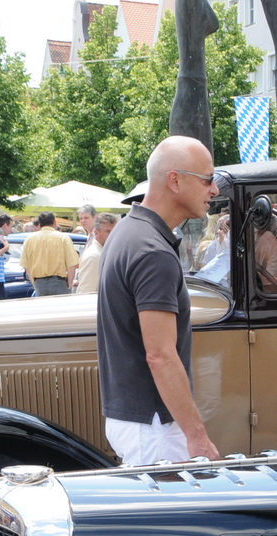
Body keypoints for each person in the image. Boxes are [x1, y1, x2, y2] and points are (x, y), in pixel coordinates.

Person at [98, 135, 222, 466]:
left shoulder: (128, 232)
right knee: (168, 517)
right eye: (208, 179)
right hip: (153, 425)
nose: (215, 190)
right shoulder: (152, 251)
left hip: (135, 417)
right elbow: (160, 356)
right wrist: (196, 436)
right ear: (175, 181)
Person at [21, 211, 79, 295]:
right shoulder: (63, 238)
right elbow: (71, 265)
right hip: (59, 282)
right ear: (54, 222)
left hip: (39, 283)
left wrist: (34, 283)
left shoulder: (29, 239)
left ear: (39, 224)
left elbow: (27, 266)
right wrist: (69, 285)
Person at [74, 212, 116, 294]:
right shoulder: (93, 256)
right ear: (96, 233)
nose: (112, 235)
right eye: (107, 231)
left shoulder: (101, 253)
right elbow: (86, 292)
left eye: (114, 231)